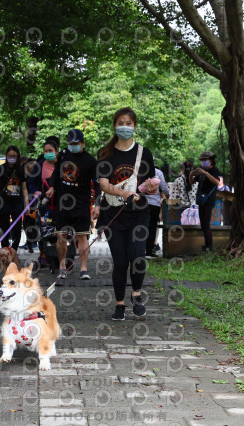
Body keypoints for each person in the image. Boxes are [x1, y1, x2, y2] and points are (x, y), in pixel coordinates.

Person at [97, 107, 155, 320]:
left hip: (139, 213)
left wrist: (152, 187)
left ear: (134, 126)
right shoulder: (105, 153)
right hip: (113, 214)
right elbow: (103, 185)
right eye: (120, 122)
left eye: (129, 123)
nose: (125, 126)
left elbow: (150, 185)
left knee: (138, 256)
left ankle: (136, 295)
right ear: (115, 125)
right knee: (120, 261)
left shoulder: (144, 153)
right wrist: (124, 192)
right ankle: (119, 303)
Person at [46, 129, 100, 280]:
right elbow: (56, 173)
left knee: (82, 236)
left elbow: (97, 184)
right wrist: (52, 187)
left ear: (82, 143)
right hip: (63, 202)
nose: (73, 146)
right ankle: (62, 266)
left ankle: (84, 268)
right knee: (61, 235)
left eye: (76, 143)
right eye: (70, 143)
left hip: (81, 203)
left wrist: (98, 204)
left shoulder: (90, 161)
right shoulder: (63, 154)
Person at [27, 137, 59, 266]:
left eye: (50, 150)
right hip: (44, 203)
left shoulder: (63, 165)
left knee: (60, 231)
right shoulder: (39, 166)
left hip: (62, 203)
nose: (48, 153)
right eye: (45, 151)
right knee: (44, 230)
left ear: (57, 151)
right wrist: (35, 191)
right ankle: (44, 255)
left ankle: (62, 256)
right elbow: (31, 182)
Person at [0, 146, 28, 251]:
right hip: (4, 202)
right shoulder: (1, 168)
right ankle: (5, 251)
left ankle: (14, 251)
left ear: (18, 156)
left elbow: (24, 188)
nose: (12, 157)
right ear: (6, 155)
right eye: (10, 155)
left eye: (14, 156)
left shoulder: (21, 169)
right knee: (4, 227)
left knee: (16, 228)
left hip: (18, 203)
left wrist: (27, 203)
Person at [189, 151, 221, 252]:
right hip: (201, 200)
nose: (203, 162)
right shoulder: (201, 171)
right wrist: (191, 174)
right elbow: (192, 182)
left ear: (211, 161)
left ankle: (209, 246)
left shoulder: (215, 170)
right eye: (202, 160)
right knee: (203, 224)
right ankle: (206, 245)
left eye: (205, 160)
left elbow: (217, 182)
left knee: (206, 224)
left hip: (209, 200)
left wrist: (206, 173)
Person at [145, 166, 169, 258]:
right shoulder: (158, 172)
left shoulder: (139, 170)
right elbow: (165, 188)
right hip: (154, 204)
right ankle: (149, 251)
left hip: (141, 203)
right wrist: (168, 196)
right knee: (152, 227)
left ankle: (138, 250)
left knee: (141, 226)